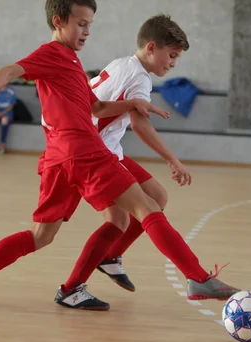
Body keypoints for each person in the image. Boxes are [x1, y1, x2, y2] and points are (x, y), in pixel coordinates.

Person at [0, 0, 240, 311]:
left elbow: (96, 108)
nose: (87, 31)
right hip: (84, 151)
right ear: (58, 22)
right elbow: (9, 70)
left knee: (41, 236)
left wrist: (133, 105)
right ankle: (196, 277)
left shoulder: (74, 61)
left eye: (90, 25)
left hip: (58, 158)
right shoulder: (52, 54)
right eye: (81, 24)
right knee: (147, 206)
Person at [78, 13, 192, 292]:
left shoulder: (122, 63)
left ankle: (109, 257)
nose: (174, 63)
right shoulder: (140, 78)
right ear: (151, 47)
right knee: (121, 219)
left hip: (104, 146)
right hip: (94, 153)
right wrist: (173, 160)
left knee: (157, 196)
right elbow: (140, 126)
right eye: (172, 55)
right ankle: (74, 284)